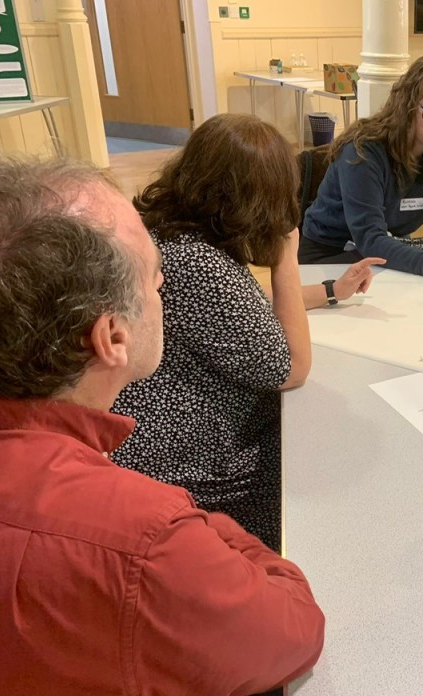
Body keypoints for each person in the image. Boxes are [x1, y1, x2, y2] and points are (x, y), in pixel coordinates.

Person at [0, 157, 325, 696]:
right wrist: (206, 528)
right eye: (155, 280)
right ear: (111, 337)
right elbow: (295, 631)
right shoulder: (141, 544)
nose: (164, 290)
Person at [111, 114, 382, 553]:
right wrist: (286, 258)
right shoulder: (199, 265)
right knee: (324, 456)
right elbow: (292, 368)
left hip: (153, 450)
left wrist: (332, 290)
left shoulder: (173, 235)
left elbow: (246, 305)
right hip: (194, 468)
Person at [299, 54, 423, 284]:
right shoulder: (363, 152)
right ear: (407, 106)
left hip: (382, 251)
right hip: (329, 258)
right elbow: (370, 238)